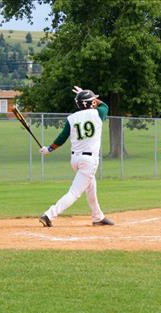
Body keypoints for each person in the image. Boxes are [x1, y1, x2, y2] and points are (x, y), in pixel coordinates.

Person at [38, 86, 114, 227]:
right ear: (91, 103)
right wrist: (87, 96)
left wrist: (49, 149)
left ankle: (98, 217)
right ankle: (49, 214)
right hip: (89, 160)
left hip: (75, 160)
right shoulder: (98, 113)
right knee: (74, 193)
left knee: (91, 188)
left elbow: (62, 138)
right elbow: (104, 105)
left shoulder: (72, 118)